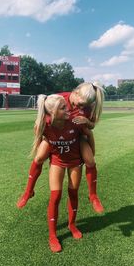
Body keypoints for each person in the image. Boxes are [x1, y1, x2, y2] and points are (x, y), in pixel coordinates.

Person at [17, 82, 104, 213]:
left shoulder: (87, 107)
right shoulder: (59, 99)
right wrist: (44, 137)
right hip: (55, 136)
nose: (78, 107)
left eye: (83, 106)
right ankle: (28, 192)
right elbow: (42, 119)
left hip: (77, 136)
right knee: (39, 157)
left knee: (90, 161)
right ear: (75, 92)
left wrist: (87, 121)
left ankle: (93, 196)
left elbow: (91, 127)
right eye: (79, 103)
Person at [29, 94, 92, 253]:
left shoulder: (75, 121)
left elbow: (89, 134)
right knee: (55, 196)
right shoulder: (46, 124)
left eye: (66, 106)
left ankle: (72, 225)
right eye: (63, 108)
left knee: (73, 193)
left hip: (75, 162)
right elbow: (39, 136)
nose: (68, 109)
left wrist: (90, 154)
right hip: (57, 162)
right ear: (52, 112)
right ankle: (52, 235)